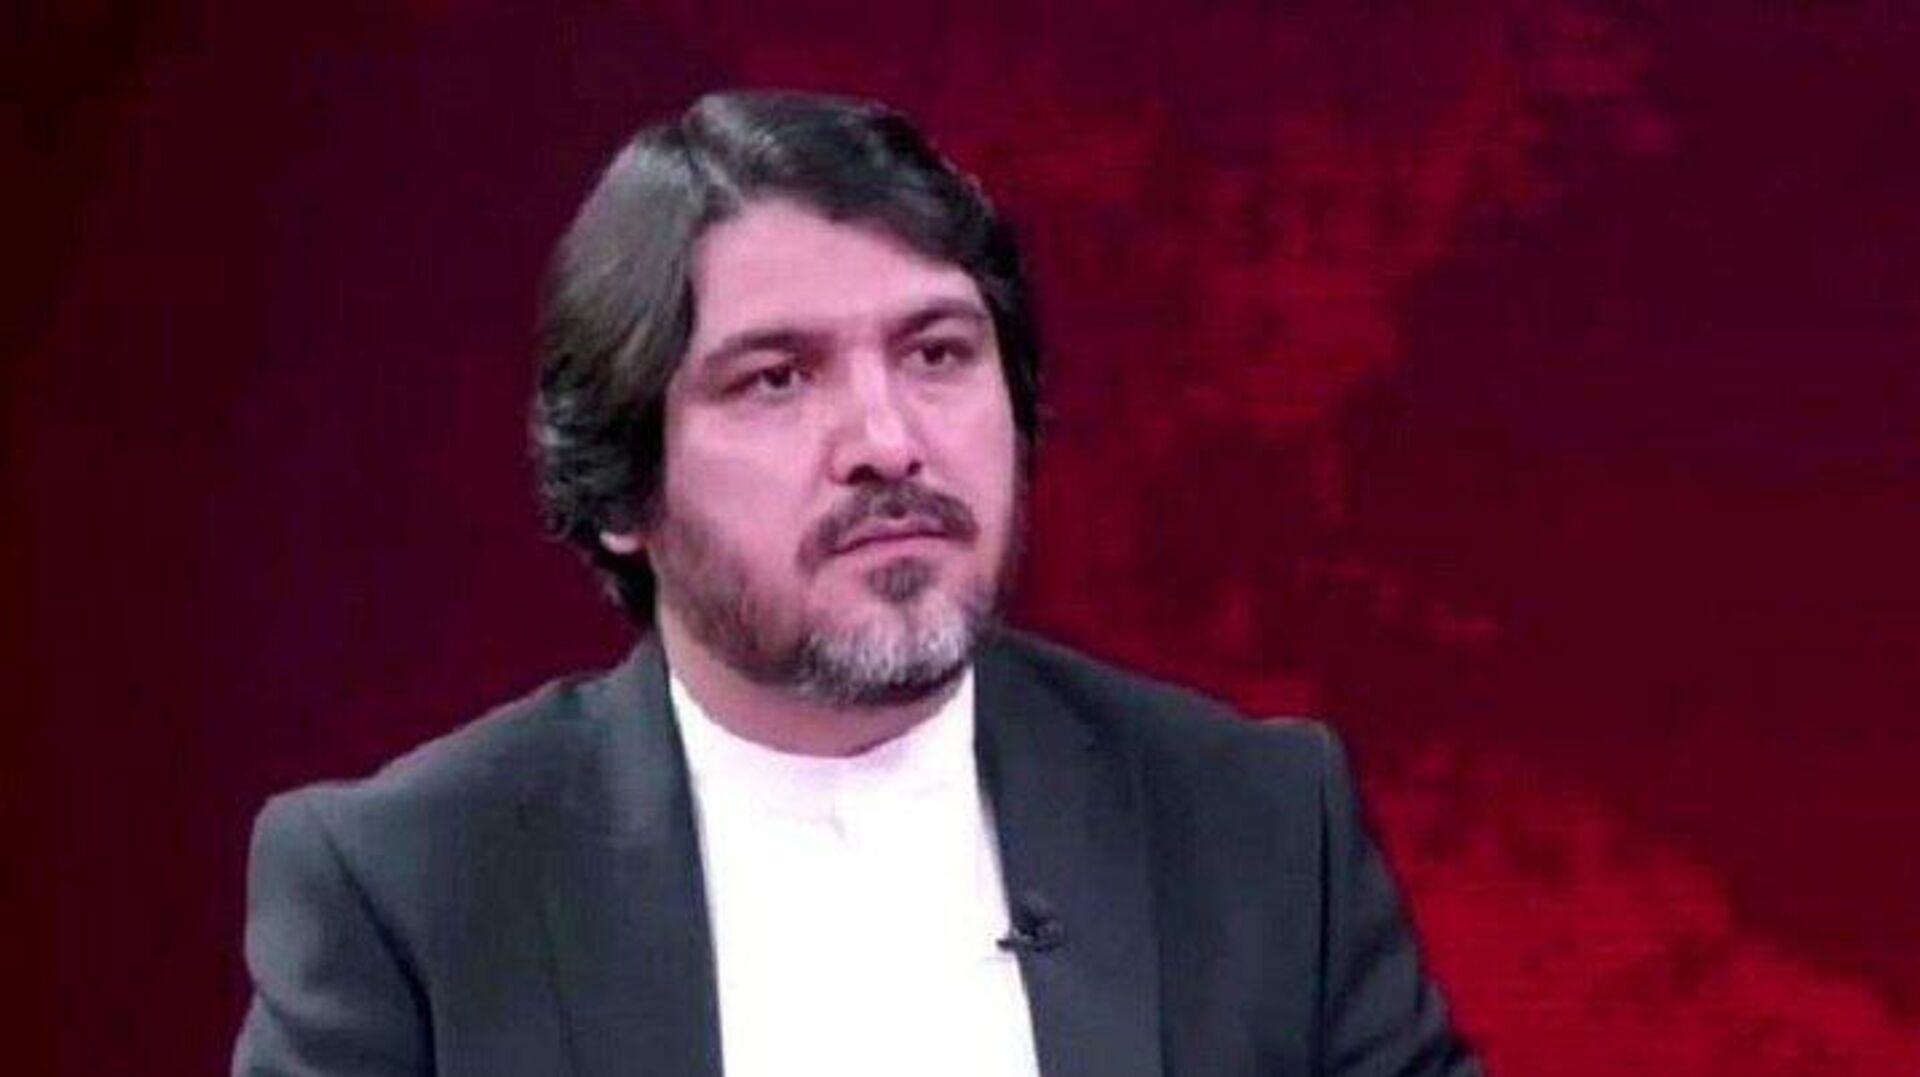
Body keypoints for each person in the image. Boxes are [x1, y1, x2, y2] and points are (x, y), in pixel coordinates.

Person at [233, 90, 1480, 1077]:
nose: (888, 441)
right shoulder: (411, 890)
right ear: (622, 490)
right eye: (777, 378)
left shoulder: (1259, 827)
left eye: (937, 353)